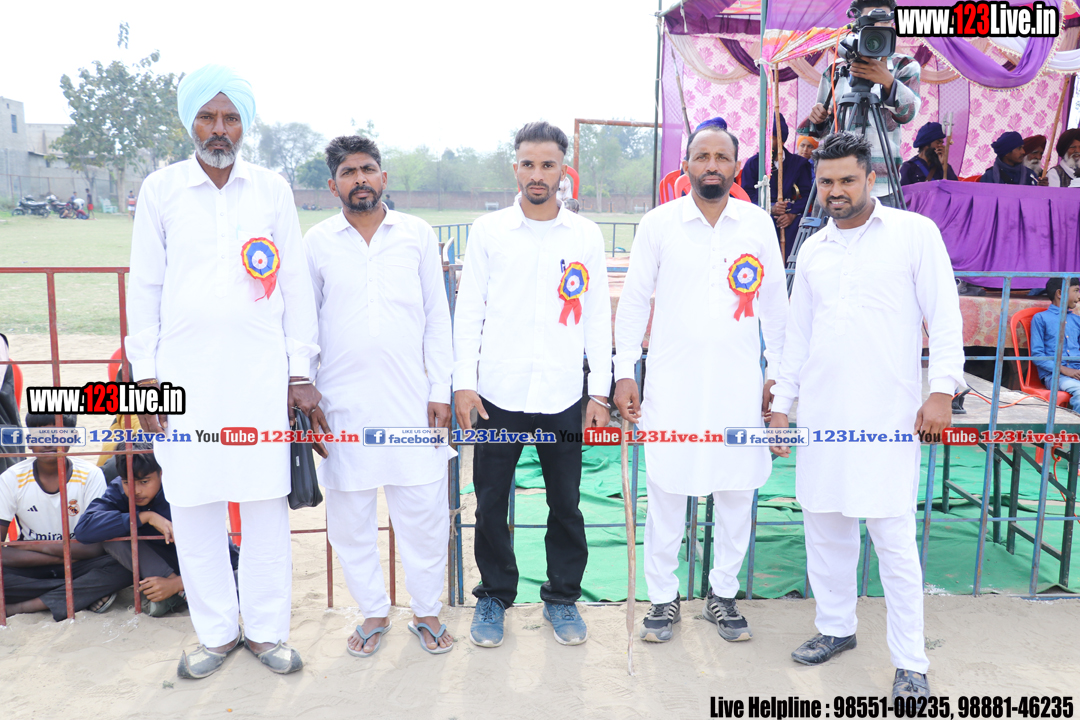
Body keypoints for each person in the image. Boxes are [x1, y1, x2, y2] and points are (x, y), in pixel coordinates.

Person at [126, 64, 324, 679]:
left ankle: (265, 632)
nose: (220, 128)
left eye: (231, 118)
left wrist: (298, 371)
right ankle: (215, 634)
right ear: (191, 122)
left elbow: (295, 284)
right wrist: (146, 378)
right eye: (208, 117)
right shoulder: (161, 189)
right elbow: (145, 286)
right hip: (181, 380)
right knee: (192, 503)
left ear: (245, 125)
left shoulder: (271, 190)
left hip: (259, 376)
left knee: (264, 503)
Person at [768, 132, 963, 699]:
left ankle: (911, 662)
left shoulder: (913, 234)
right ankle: (836, 628)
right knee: (825, 526)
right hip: (822, 416)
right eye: (826, 181)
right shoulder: (814, 249)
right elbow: (798, 338)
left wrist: (942, 391)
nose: (835, 190)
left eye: (847, 180)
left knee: (893, 539)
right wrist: (781, 407)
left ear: (871, 178)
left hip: (887, 417)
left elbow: (944, 316)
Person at [614, 123, 787, 644]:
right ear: (685, 165)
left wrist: (776, 376)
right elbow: (634, 301)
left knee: (736, 490)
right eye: (702, 156)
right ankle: (662, 599)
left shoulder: (757, 224)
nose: (712, 165)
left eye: (722, 157)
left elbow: (776, 309)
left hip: (739, 386)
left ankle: (723, 595)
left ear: (736, 167)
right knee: (667, 490)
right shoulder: (659, 223)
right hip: (672, 386)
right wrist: (625, 371)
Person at [453, 121, 612, 649]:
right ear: (515, 168)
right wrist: (464, 383)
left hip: (563, 395)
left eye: (548, 165)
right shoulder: (488, 231)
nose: (537, 174)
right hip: (497, 395)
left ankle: (562, 597)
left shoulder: (585, 235)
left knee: (566, 503)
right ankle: (495, 596)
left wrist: (598, 392)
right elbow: (468, 311)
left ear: (565, 169)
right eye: (528, 164)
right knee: (490, 501)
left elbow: (596, 318)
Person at [304, 135, 456, 657]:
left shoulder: (416, 234)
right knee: (350, 521)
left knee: (424, 515)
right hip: (340, 407)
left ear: (383, 177)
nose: (360, 179)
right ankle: (372, 610)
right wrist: (305, 388)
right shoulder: (317, 242)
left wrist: (440, 388)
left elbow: (437, 318)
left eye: (368, 169)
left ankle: (427, 611)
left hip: (412, 401)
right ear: (333, 186)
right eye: (349, 172)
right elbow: (305, 323)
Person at [75, 442, 240, 617]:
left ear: (162, 473)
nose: (135, 491)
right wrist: (145, 517)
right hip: (161, 566)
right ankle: (180, 593)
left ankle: (178, 591)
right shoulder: (119, 490)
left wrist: (177, 584)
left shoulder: (183, 491)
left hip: (205, 566)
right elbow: (84, 529)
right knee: (113, 538)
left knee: (243, 585)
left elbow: (224, 556)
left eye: (144, 482)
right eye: (127, 482)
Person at [1, 413, 131, 620]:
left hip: (80, 562)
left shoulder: (90, 475)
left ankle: (26, 606)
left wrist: (30, 546)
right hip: (34, 564)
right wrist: (61, 555)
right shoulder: (11, 479)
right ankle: (80, 595)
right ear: (29, 440)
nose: (48, 442)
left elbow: (96, 547)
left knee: (125, 564)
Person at [798, 0, 921, 206]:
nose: (877, 29)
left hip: (882, 183)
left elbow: (908, 113)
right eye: (870, 23)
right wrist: (819, 119)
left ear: (892, 25)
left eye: (884, 23)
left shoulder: (904, 65)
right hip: (837, 180)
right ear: (857, 25)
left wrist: (888, 82)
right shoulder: (836, 69)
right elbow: (821, 131)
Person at [740, 114, 814, 263]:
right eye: (766, 138)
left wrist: (792, 214)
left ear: (782, 139)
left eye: (773, 138)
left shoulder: (799, 164)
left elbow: (808, 195)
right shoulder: (753, 164)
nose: (768, 142)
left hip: (791, 220)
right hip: (762, 217)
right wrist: (770, 208)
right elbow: (746, 196)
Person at [1030, 277, 1080, 412]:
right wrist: (1064, 369)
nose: (1079, 296)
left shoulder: (1077, 321)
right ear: (1060, 293)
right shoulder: (1041, 318)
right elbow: (1037, 356)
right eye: (1076, 290)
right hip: (1056, 376)